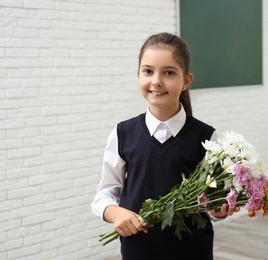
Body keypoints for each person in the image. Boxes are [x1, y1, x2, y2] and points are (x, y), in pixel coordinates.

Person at [91, 32, 239, 260]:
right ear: (138, 74)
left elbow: (211, 203)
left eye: (169, 72)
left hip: (193, 253)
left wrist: (219, 209)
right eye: (148, 71)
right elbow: (104, 194)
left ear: (186, 81)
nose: (157, 81)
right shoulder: (123, 133)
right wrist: (115, 213)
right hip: (137, 252)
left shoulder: (206, 137)